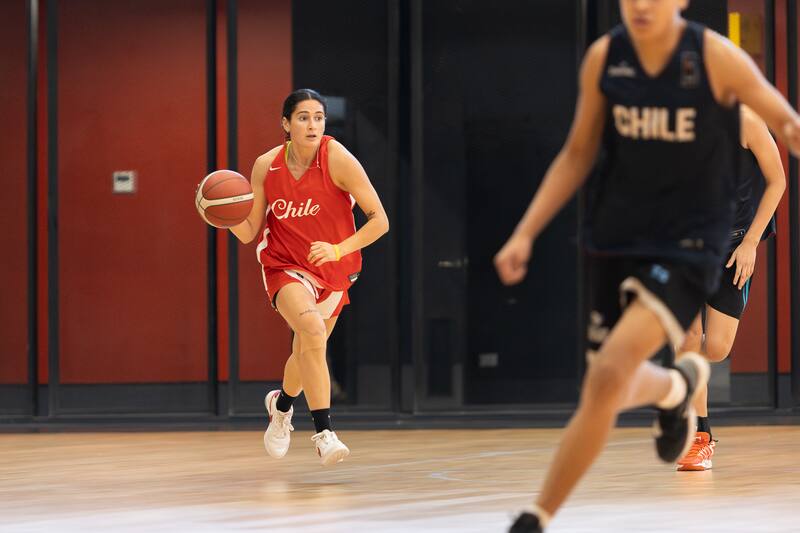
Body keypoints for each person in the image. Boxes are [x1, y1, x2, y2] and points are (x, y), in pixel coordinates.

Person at [494, 1, 800, 531]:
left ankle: (539, 514)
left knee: (701, 348)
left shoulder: (714, 59)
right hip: (619, 238)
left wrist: (752, 237)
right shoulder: (605, 60)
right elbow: (576, 154)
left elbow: (785, 128)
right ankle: (675, 390)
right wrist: (525, 229)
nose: (640, 3)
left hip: (694, 244)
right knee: (606, 383)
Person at [230, 89, 389, 466]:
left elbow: (380, 221)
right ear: (286, 124)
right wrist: (220, 215)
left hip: (333, 269)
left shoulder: (337, 158)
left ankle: (281, 405)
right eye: (303, 117)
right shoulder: (266, 166)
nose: (313, 124)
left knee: (306, 350)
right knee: (313, 334)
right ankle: (324, 433)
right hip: (284, 266)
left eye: (318, 117)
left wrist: (337, 249)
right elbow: (250, 228)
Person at [676, 104, 784, 471]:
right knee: (688, 336)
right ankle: (698, 436)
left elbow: (777, 181)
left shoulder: (745, 120)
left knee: (717, 349)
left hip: (732, 248)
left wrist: (751, 242)